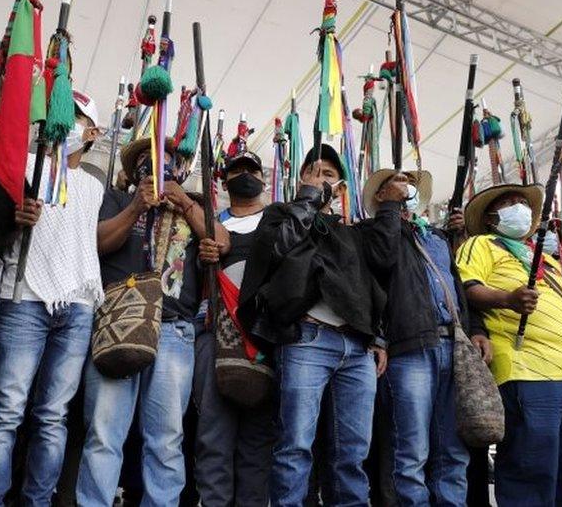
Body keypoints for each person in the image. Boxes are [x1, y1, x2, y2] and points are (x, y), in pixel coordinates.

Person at [0, 91, 106, 506]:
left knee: (52, 417)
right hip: (23, 295)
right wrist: (16, 216)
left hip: (77, 304)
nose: (66, 122)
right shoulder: (21, 166)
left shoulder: (95, 185)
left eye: (77, 116)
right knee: (6, 412)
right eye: (59, 113)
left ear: (93, 132)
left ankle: (37, 501)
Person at [76, 138, 230, 506]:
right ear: (133, 172)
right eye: (148, 160)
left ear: (179, 170)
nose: (157, 166)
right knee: (103, 433)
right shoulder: (113, 198)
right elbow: (98, 242)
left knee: (165, 437)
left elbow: (220, 241)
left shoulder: (192, 208)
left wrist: (184, 202)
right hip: (116, 324)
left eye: (168, 160)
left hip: (173, 330)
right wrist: (136, 206)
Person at [237, 144, 387, 506]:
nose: (323, 179)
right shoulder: (280, 214)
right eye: (316, 172)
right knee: (294, 446)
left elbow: (369, 282)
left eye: (330, 175)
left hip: (356, 348)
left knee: (352, 453)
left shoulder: (350, 229)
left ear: (341, 187)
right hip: (307, 339)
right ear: (303, 178)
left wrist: (378, 336)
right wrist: (307, 200)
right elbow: (276, 250)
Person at [456, 183, 562, 506]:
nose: (518, 207)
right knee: (532, 470)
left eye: (522, 202)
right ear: (491, 217)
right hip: (526, 370)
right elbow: (467, 287)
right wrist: (507, 299)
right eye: (509, 202)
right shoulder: (480, 244)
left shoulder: (550, 260)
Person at [359, 169, 490, 506]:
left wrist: (476, 329)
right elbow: (381, 261)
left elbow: (458, 287)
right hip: (409, 348)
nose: (407, 190)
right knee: (411, 451)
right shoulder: (371, 231)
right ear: (382, 196)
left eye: (410, 185)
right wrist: (389, 210)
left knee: (453, 450)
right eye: (398, 185)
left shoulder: (437, 237)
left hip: (453, 345)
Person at [193, 149, 276, 506]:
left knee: (257, 444)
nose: (244, 174)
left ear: (264, 179)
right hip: (213, 335)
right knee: (213, 439)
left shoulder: (277, 222)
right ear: (223, 181)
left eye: (251, 169)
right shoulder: (208, 223)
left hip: (264, 340)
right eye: (236, 169)